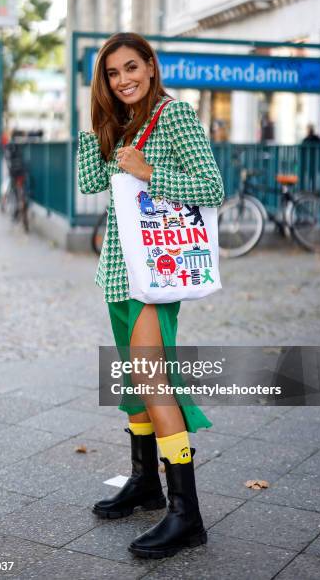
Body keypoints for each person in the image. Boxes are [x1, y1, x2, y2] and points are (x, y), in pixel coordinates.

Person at [77, 32, 224, 559]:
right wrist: (96, 122)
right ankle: (146, 483)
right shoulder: (118, 119)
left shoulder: (175, 115)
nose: (124, 80)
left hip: (156, 274)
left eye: (131, 67)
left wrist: (148, 172)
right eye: (112, 74)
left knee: (153, 379)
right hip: (119, 269)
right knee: (135, 378)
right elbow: (90, 180)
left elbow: (212, 187)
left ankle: (188, 514)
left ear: (151, 65)